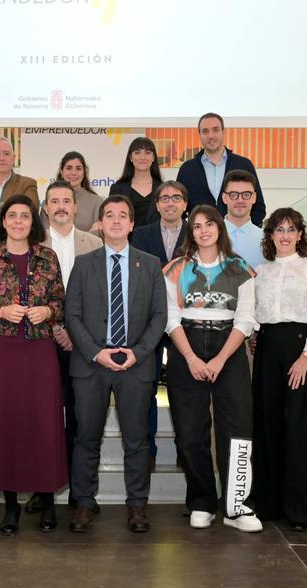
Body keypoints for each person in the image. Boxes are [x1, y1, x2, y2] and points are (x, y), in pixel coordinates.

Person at [0, 195, 68, 535]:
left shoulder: (47, 257)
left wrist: (48, 312)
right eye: (12, 216)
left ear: (32, 222)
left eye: (24, 216)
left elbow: (61, 302)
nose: (18, 221)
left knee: (43, 423)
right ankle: (11, 508)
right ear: (3, 221)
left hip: (39, 353)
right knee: (3, 425)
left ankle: (47, 502)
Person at [66, 194, 167, 534]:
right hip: (92, 363)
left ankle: (137, 506)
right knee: (86, 438)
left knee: (137, 440)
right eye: (110, 215)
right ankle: (83, 503)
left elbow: (159, 316)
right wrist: (97, 352)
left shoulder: (150, 264)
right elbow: (72, 316)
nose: (117, 221)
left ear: (132, 223)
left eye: (123, 215)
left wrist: (138, 352)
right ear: (101, 222)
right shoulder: (84, 263)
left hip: (136, 364)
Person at [162, 205, 260, 532]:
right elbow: (170, 318)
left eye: (210, 224)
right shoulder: (176, 269)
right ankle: (201, 501)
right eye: (197, 226)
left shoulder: (240, 269)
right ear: (190, 232)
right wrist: (191, 358)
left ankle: (237, 507)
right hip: (186, 347)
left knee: (236, 430)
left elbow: (246, 319)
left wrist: (220, 359)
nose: (204, 230)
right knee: (191, 430)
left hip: (229, 348)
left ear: (220, 228)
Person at [250, 208, 307, 531]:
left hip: (302, 351)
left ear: (300, 234)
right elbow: (257, 315)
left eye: (291, 229)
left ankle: (300, 510)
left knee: (300, 430)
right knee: (267, 425)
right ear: (270, 235)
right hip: (267, 351)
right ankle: (269, 505)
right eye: (278, 230)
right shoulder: (262, 270)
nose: (284, 235)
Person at [33, 180, 102, 515]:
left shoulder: (94, 244)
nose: (60, 206)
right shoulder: (31, 244)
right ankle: (39, 490)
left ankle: (80, 493)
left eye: (66, 201)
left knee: (80, 420)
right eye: (53, 201)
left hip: (83, 346)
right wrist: (57, 327)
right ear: (45, 208)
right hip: (41, 345)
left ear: (76, 207)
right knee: (41, 419)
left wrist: (76, 334)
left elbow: (100, 299)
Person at [131, 180, 190, 466]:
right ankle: (148, 452)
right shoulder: (141, 235)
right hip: (150, 320)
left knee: (182, 391)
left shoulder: (198, 233)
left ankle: (185, 451)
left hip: (186, 323)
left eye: (176, 198)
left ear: (184, 204)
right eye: (164, 198)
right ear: (156, 205)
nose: (170, 203)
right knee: (148, 388)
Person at [176, 112, 266, 224]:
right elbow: (179, 210)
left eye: (215, 130)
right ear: (199, 135)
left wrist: (243, 232)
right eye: (205, 131)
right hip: (201, 238)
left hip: (236, 239)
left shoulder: (244, 165)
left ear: (223, 132)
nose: (211, 136)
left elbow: (258, 207)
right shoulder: (187, 169)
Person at [108, 136, 163, 230]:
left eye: (148, 153)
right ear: (131, 157)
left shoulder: (163, 188)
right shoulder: (118, 188)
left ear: (153, 157)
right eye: (137, 153)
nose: (142, 157)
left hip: (156, 243)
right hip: (125, 242)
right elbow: (111, 218)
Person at [41, 151, 102, 232]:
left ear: (84, 173)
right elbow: (45, 235)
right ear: (61, 172)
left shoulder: (97, 202)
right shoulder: (49, 202)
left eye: (78, 168)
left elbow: (98, 236)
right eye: (69, 168)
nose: (73, 173)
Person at [221, 169, 265, 270]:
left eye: (246, 194)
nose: (240, 200)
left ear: (254, 197)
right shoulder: (208, 237)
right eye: (233, 195)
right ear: (224, 198)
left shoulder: (266, 239)